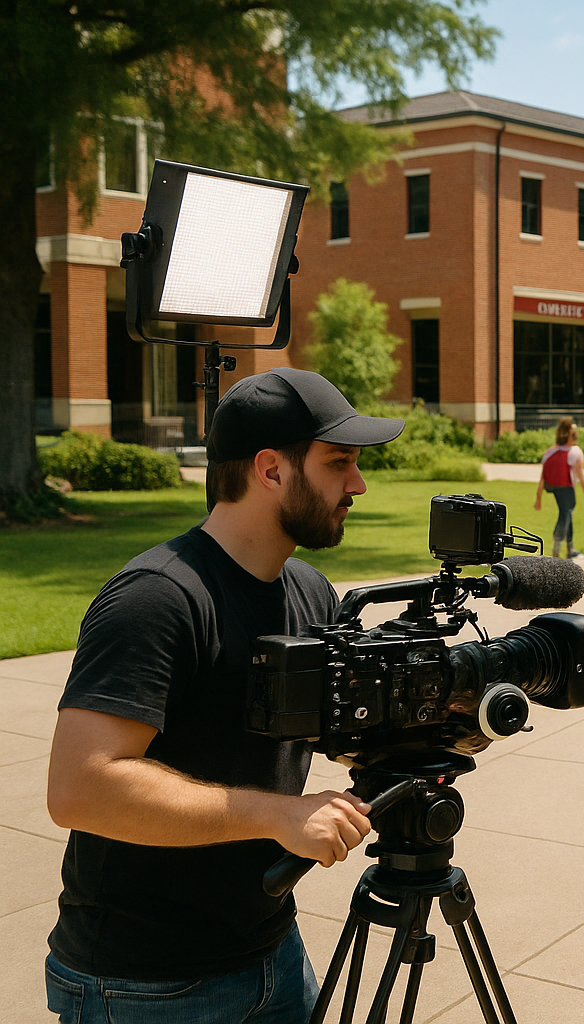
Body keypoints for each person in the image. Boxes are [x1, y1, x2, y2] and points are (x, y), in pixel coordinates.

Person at [44, 368, 405, 1024]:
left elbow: (342, 726)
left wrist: (448, 706)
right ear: (271, 471)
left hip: (272, 952)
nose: (357, 483)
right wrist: (277, 816)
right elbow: (80, 789)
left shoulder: (309, 590)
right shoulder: (158, 597)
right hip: (142, 985)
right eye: (340, 463)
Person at [533, 417, 584, 558]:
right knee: (566, 514)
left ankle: (570, 547)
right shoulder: (575, 452)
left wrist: (538, 497)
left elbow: (542, 476)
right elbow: (581, 477)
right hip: (566, 486)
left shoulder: (550, 451)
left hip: (552, 486)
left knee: (566, 512)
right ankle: (557, 545)